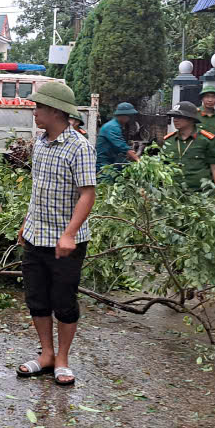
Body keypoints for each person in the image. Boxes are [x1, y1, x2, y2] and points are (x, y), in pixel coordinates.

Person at [15, 81, 96, 388]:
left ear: (55, 111)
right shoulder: (40, 143)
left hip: (65, 242)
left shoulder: (79, 147)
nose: (35, 113)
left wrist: (69, 234)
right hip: (36, 235)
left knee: (63, 301)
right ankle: (46, 354)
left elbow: (87, 194)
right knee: (36, 299)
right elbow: (37, 189)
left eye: (39, 107)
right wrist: (27, 222)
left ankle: (62, 359)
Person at [166, 101, 215, 191]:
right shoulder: (169, 141)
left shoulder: (206, 140)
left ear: (191, 119)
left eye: (179, 117)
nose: (175, 120)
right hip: (174, 194)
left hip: (201, 194)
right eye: (174, 117)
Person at [95, 102, 139, 176]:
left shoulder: (117, 126)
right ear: (123, 116)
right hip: (104, 163)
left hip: (112, 160)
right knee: (105, 181)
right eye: (129, 116)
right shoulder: (112, 127)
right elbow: (121, 146)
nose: (129, 118)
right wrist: (138, 160)